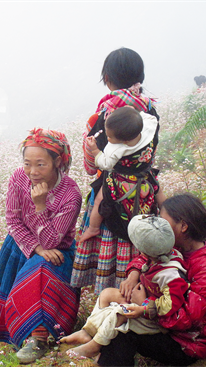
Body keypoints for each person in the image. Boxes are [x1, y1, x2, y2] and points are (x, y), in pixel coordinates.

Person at [97, 193, 206, 367]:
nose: (159, 225)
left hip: (185, 343)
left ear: (183, 226)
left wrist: (146, 306)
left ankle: (98, 356)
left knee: (123, 329)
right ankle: (94, 347)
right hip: (163, 322)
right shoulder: (173, 247)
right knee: (116, 306)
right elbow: (146, 256)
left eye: (163, 221)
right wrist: (134, 273)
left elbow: (187, 320)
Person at [0, 128, 82, 364]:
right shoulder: (18, 178)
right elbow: (13, 221)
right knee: (39, 262)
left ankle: (39, 338)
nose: (32, 172)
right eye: (27, 164)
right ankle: (21, 337)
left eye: (40, 165)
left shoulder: (71, 195)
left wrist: (40, 206)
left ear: (57, 162)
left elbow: (52, 242)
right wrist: (36, 249)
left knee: (42, 270)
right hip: (21, 244)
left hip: (59, 252)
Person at [71, 47, 165, 295]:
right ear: (140, 76)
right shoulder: (150, 110)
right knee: (145, 240)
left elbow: (92, 168)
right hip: (144, 187)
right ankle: (142, 299)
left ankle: (107, 307)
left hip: (112, 193)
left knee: (106, 241)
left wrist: (93, 150)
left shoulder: (102, 116)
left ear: (108, 78)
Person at [62, 214, 188, 359]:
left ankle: (95, 345)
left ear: (144, 250)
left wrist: (144, 307)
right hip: (145, 300)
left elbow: (172, 305)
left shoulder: (170, 274)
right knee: (107, 294)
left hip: (156, 320)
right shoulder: (159, 254)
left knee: (119, 312)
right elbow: (141, 263)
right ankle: (88, 332)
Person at [78, 106, 159, 243]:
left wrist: (95, 150)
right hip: (145, 175)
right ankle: (166, 214)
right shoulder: (148, 129)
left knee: (99, 200)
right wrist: (132, 114)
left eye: (109, 137)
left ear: (124, 141)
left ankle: (93, 228)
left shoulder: (117, 149)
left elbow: (105, 164)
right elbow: (148, 117)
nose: (108, 138)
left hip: (120, 179)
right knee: (158, 192)